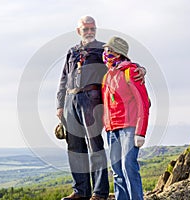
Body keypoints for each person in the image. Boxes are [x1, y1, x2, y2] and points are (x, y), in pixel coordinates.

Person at [56, 16, 146, 200]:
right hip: (71, 99)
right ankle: (80, 191)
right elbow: (63, 78)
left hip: (93, 100)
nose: (89, 32)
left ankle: (99, 192)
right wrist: (59, 105)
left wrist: (141, 68)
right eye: (86, 28)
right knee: (74, 147)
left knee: (95, 146)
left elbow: (122, 63)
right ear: (78, 31)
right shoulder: (71, 51)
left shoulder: (104, 49)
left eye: (92, 28)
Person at [101, 36, 150, 200]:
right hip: (111, 130)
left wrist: (140, 132)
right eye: (105, 50)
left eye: (109, 51)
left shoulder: (131, 72)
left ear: (118, 53)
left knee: (128, 166)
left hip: (129, 128)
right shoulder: (107, 76)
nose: (105, 53)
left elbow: (144, 103)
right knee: (117, 171)